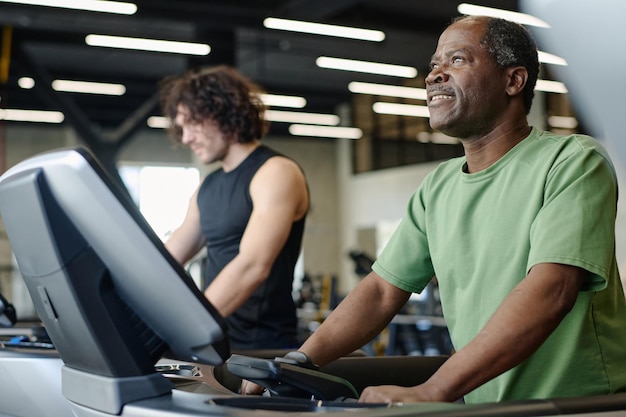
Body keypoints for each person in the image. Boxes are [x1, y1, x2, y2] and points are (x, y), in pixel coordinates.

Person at [243, 15, 626, 403]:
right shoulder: (438, 187)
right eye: (433, 65)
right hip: (483, 407)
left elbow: (552, 289)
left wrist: (433, 391)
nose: (434, 76)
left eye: (457, 60)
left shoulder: (572, 161)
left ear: (513, 81)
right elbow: (380, 291)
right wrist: (299, 361)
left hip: (578, 405)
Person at [159, 65, 309, 350]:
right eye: (182, 127)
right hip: (216, 344)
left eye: (193, 123)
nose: (186, 137)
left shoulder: (275, 172)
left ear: (223, 112)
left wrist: (189, 327)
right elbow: (167, 259)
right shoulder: (207, 187)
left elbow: (252, 265)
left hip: (263, 349)